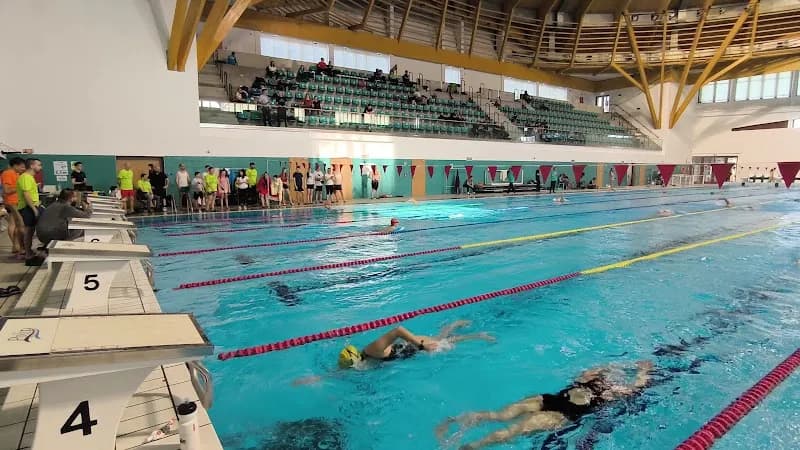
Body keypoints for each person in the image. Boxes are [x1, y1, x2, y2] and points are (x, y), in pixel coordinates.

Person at [436, 361, 654, 450]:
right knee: (512, 428)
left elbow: (592, 371)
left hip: (551, 402)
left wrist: (636, 370)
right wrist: (642, 371)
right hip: (558, 410)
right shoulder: (610, 390)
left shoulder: (594, 378)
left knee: (500, 416)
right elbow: (636, 388)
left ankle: (454, 423)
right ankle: (469, 447)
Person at [295, 321, 493, 386]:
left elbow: (398, 329)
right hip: (407, 352)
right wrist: (316, 378)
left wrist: (421, 347)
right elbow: (339, 372)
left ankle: (475, 333)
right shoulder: (364, 363)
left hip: (413, 345)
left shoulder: (373, 350)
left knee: (445, 342)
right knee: (443, 339)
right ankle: (456, 326)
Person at [17, 158, 44, 266]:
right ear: (32, 165)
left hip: (32, 206)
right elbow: (26, 195)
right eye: (39, 165)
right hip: (28, 208)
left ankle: (30, 252)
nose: (40, 167)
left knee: (31, 231)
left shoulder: (29, 177)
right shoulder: (26, 177)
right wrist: (34, 209)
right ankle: (28, 256)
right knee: (29, 232)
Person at [1, 157, 25, 259]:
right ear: (15, 165)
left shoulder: (15, 174)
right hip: (12, 201)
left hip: (16, 201)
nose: (23, 169)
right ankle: (17, 246)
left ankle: (16, 246)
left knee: (15, 224)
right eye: (22, 166)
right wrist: (21, 187)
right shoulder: (8, 173)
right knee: (18, 224)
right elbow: (6, 190)